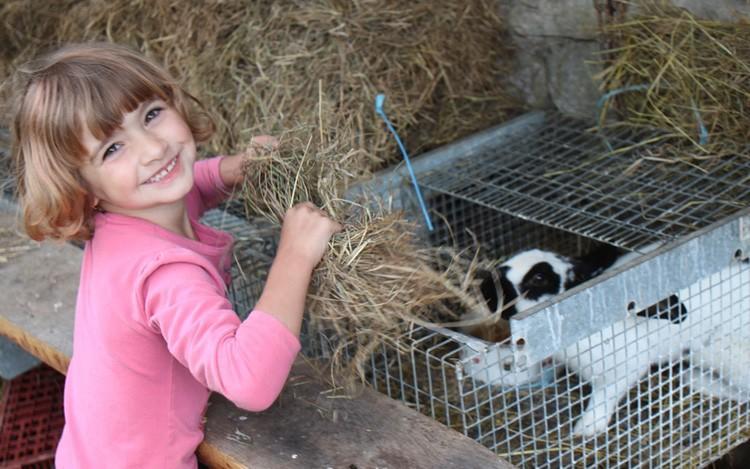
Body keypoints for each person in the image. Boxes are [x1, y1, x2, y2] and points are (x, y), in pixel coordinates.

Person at [11, 42, 341, 468]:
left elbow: (188, 191)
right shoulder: (166, 275)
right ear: (83, 190)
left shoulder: (131, 216)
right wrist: (295, 255)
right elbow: (249, 379)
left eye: (151, 114)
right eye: (112, 149)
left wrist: (231, 169)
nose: (152, 149)